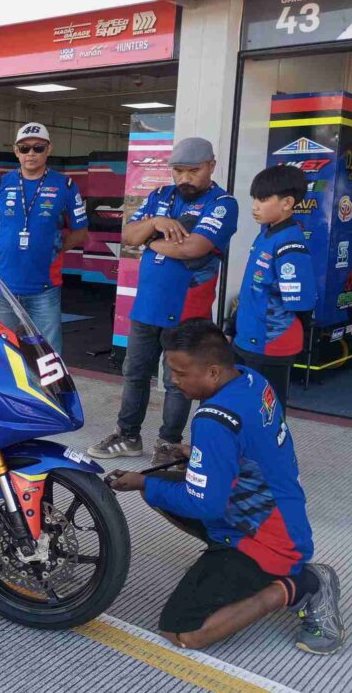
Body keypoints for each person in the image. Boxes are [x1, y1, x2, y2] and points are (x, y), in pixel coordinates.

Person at [108, 320, 344, 655]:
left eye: (180, 372)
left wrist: (143, 481)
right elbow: (252, 443)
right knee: (163, 486)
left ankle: (304, 584)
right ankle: (225, 563)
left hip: (267, 539)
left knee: (183, 631)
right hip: (280, 511)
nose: (173, 380)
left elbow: (204, 505)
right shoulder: (251, 380)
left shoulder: (214, 420)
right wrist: (199, 453)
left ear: (213, 372)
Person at [88, 137, 238, 465]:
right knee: (135, 372)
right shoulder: (160, 195)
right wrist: (155, 224)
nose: (185, 178)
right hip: (147, 305)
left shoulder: (222, 204)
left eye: (193, 171)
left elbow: (192, 248)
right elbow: (129, 235)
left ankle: (169, 444)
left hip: (187, 309)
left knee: (177, 381)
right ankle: (128, 436)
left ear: (211, 166)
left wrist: (151, 242)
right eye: (179, 171)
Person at [0, 122, 88, 353]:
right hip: (3, 287)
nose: (31, 153)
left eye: (38, 148)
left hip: (44, 288)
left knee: (47, 354)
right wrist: (3, 246)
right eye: (24, 148)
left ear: (49, 150)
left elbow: (80, 231)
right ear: (16, 151)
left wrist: (55, 249)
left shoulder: (65, 186)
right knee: (3, 352)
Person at [230, 165, 316, 411]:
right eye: (254, 199)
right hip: (246, 338)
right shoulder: (265, 234)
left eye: (263, 199)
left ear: (287, 203)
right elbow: (254, 290)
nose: (255, 206)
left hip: (270, 343)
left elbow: (301, 304)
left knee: (268, 414)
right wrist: (232, 326)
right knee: (244, 408)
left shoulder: (290, 244)